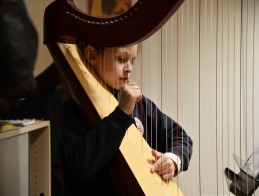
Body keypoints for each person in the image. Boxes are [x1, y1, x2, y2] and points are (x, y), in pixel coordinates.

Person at [58, 43, 193, 195]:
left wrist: (173, 160)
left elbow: (181, 136)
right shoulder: (72, 110)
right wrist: (121, 114)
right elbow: (81, 165)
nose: (129, 68)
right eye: (122, 59)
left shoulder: (139, 103)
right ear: (92, 56)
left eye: (132, 61)